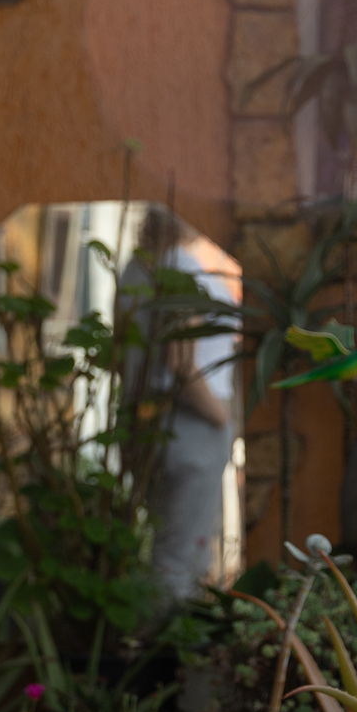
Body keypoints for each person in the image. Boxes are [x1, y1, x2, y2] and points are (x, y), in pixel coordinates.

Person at [121, 206, 237, 603]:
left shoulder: (136, 269)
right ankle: (168, 656)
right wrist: (221, 418)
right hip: (192, 427)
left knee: (166, 550)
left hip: (147, 423)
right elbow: (181, 361)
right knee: (181, 560)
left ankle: (156, 649)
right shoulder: (181, 269)